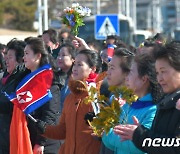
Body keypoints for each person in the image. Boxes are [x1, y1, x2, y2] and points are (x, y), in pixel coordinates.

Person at [114, 41, 180, 154]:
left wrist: (141, 135)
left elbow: (176, 146)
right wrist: (140, 133)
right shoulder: (165, 101)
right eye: (157, 73)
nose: (160, 78)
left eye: (163, 72)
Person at [36, 49, 103, 154]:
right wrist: (44, 129)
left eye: (80, 65)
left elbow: (109, 133)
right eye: (75, 64)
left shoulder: (99, 96)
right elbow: (63, 131)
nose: (75, 68)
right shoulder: (70, 98)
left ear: (93, 69)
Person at [102, 53, 163, 154]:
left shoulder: (153, 110)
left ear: (144, 79)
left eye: (130, 72)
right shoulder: (128, 106)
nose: (126, 77)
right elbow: (111, 144)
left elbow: (137, 145)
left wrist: (107, 132)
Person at [24, 37, 61, 154]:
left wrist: (41, 142)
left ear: (38, 56)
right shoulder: (27, 80)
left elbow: (49, 115)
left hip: (46, 144)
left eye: (27, 53)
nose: (23, 57)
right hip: (29, 138)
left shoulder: (50, 83)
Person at [99, 48, 135, 154]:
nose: (107, 73)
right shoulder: (111, 96)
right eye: (108, 67)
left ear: (126, 73)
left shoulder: (134, 102)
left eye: (112, 68)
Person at [0, 39, 29, 154]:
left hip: (14, 136)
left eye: (10, 57)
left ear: (20, 59)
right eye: (5, 56)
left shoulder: (23, 79)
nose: (6, 60)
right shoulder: (6, 77)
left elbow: (12, 104)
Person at [56, 42, 76, 112]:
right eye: (58, 55)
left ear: (73, 59)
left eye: (63, 55)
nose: (59, 58)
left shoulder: (75, 80)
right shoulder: (54, 77)